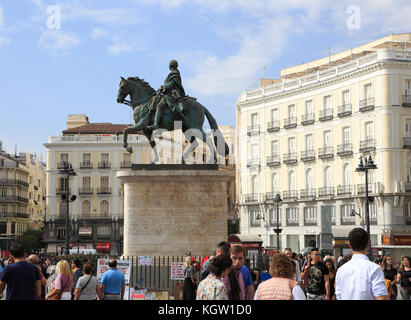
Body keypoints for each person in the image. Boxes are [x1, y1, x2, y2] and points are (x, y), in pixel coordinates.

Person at [335, 228, 389, 300]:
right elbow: (382, 297)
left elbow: (339, 296)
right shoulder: (374, 269)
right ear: (368, 244)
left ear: (350, 245)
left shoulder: (341, 270)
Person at [147, 59, 188, 130]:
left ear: (171, 65)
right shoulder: (175, 73)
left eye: (169, 65)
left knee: (159, 106)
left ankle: (156, 124)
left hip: (172, 94)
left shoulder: (174, 73)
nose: (168, 66)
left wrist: (163, 87)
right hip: (168, 93)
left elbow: (170, 84)